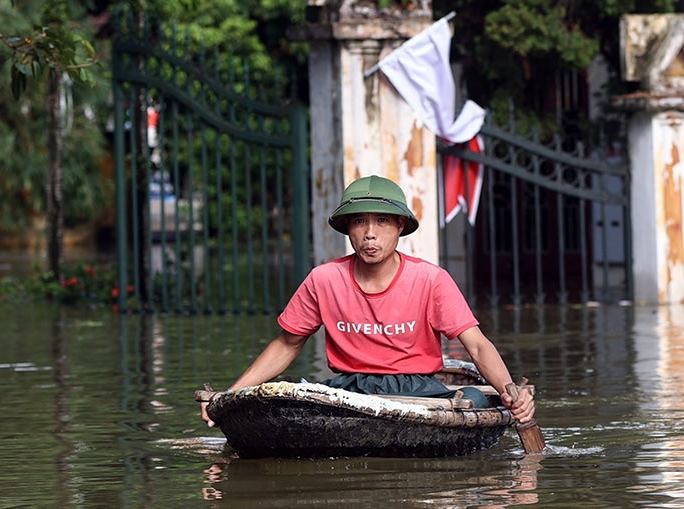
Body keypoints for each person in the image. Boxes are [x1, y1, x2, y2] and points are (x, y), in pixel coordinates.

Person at [201, 175, 536, 427]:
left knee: (476, 398)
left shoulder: (430, 279)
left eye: (382, 221)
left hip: (418, 390)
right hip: (351, 388)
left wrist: (509, 390)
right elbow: (287, 344)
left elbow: (476, 346)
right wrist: (228, 397)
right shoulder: (324, 279)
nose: (370, 233)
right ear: (348, 228)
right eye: (360, 221)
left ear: (400, 225)